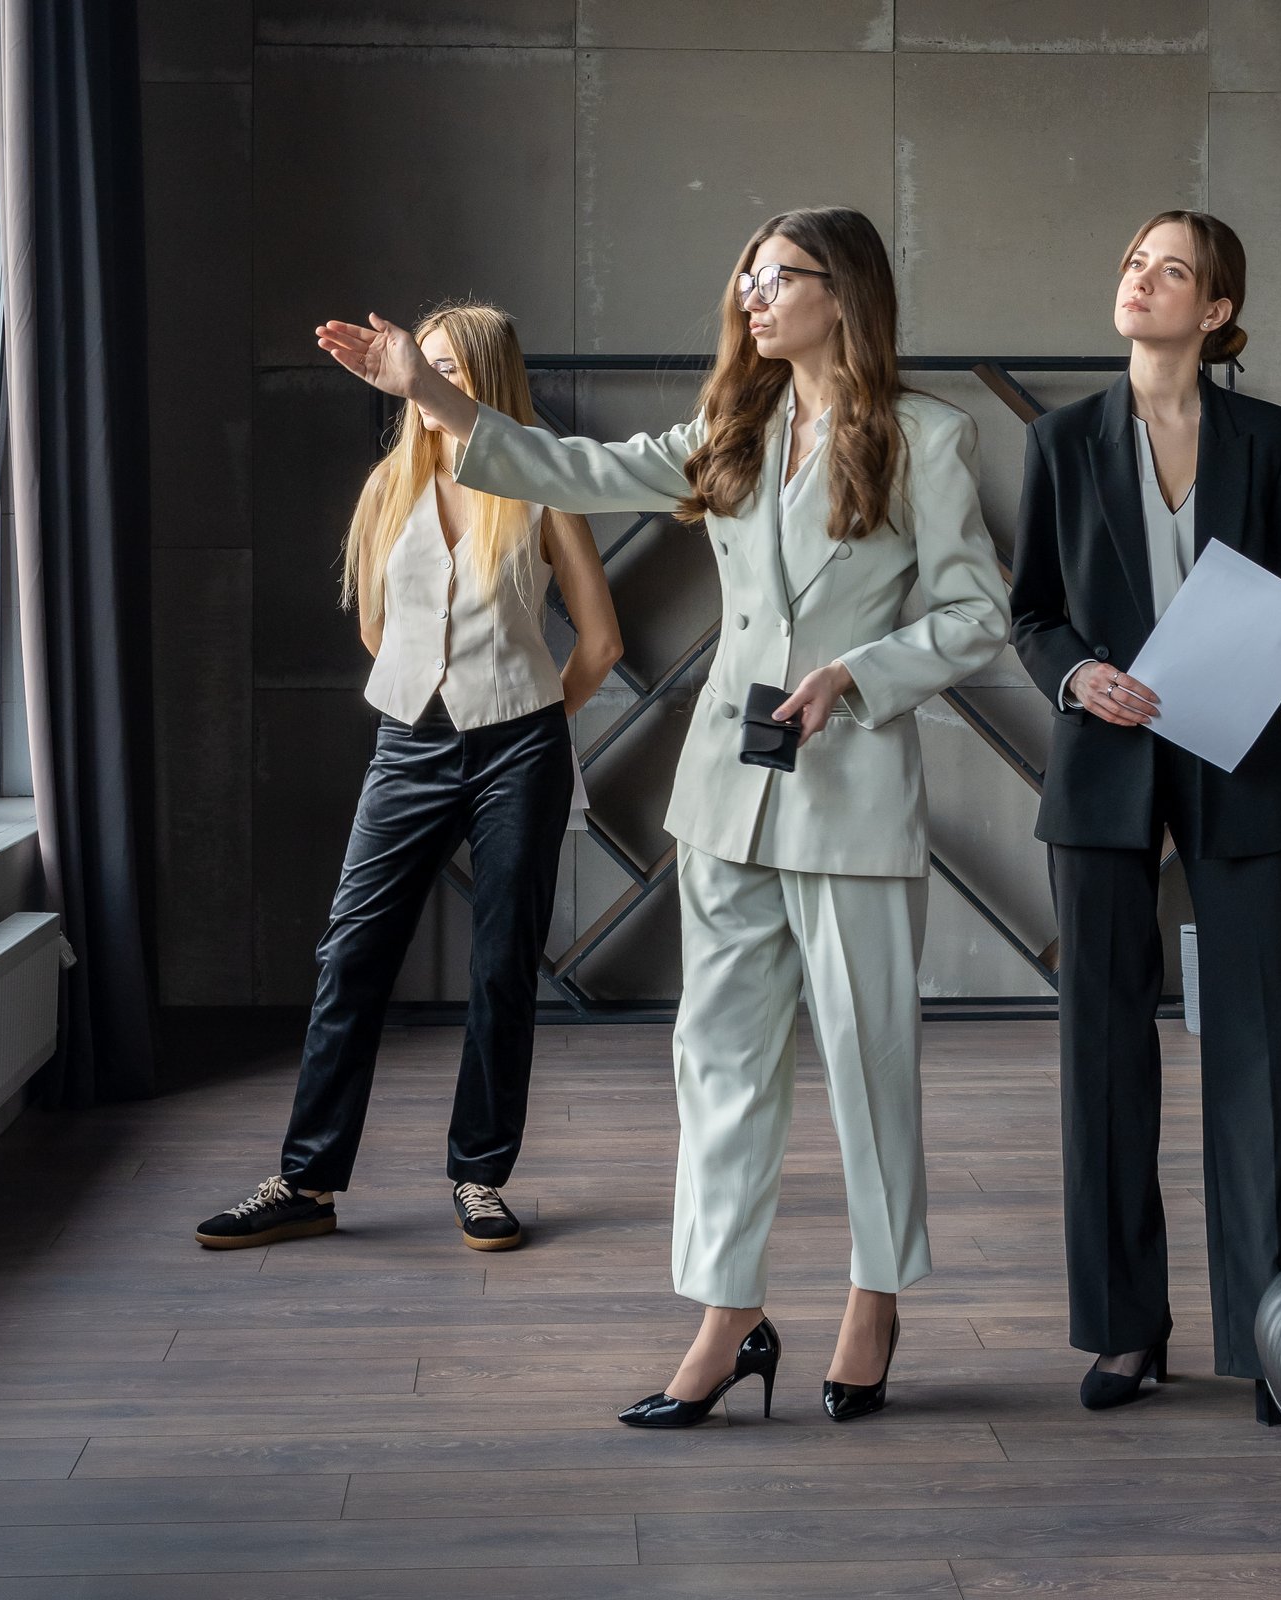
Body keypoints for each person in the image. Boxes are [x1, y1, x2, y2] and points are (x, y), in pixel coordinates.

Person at [316, 206, 1010, 1427]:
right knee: (719, 1065)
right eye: (745, 277)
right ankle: (727, 1315)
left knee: (867, 1063)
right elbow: (575, 472)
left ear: (840, 293)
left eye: (776, 278)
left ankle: (876, 1295)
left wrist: (858, 675)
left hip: (847, 790)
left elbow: (975, 615)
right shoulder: (731, 432)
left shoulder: (927, 439)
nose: (750, 295)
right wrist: (438, 398)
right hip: (724, 795)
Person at [1008, 211, 1281, 1419]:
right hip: (1101, 766)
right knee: (1103, 1054)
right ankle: (1124, 1330)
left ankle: (1277, 1338)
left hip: (1232, 759)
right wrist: (1075, 675)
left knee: (1257, 1050)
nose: (1138, 279)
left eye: (1168, 269)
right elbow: (1032, 613)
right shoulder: (1059, 440)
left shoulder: (1267, 436)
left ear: (1214, 310)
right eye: (1131, 262)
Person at [195, 302, 622, 1255]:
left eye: (452, 370)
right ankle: (307, 1181)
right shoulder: (389, 484)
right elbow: (377, 629)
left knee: (502, 966)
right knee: (351, 955)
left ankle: (479, 1176)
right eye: (421, 364)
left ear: (490, 382)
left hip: (521, 745)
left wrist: (532, 717)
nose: (430, 385)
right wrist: (425, 694)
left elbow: (600, 644)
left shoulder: (540, 483)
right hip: (408, 745)